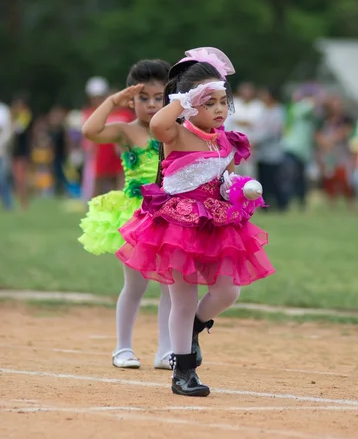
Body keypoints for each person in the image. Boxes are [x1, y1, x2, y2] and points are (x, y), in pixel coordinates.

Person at [117, 47, 275, 397]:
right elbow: (157, 123)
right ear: (189, 104)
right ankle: (182, 371)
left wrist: (243, 187)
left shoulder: (226, 142)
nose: (219, 110)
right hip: (177, 226)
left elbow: (227, 181)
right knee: (183, 300)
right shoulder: (175, 132)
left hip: (217, 224)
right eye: (209, 103)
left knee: (227, 291)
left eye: (222, 101)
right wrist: (184, 100)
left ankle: (191, 332)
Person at [79, 60, 172, 370]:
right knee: (135, 286)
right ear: (131, 100)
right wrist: (112, 101)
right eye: (143, 98)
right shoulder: (125, 131)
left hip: (171, 215)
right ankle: (122, 348)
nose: (150, 104)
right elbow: (90, 131)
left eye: (158, 97)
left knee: (171, 285)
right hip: (136, 216)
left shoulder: (175, 131)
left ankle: (166, 350)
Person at [281, 91, 318, 210]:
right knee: (289, 177)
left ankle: (301, 202)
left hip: (303, 151)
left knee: (301, 179)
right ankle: (285, 203)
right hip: (292, 149)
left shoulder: (307, 113)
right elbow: (307, 106)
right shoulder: (296, 109)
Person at [315, 97, 354, 205]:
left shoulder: (346, 119)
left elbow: (347, 132)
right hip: (329, 153)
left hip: (342, 152)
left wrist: (333, 138)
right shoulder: (324, 120)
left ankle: (349, 201)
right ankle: (331, 202)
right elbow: (317, 135)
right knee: (330, 179)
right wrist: (324, 142)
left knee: (344, 178)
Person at [253, 88, 287, 211]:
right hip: (262, 153)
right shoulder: (263, 111)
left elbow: (273, 131)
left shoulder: (278, 111)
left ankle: (281, 204)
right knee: (263, 180)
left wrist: (257, 140)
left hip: (272, 152)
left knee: (274, 180)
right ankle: (264, 204)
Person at [224, 82, 266, 177]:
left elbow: (260, 125)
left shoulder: (258, 106)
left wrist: (255, 142)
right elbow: (229, 122)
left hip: (251, 145)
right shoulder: (234, 103)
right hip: (234, 144)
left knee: (250, 173)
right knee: (234, 172)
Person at [11, 95, 33, 209]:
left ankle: (24, 203)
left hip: (22, 152)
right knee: (18, 179)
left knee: (21, 179)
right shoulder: (20, 116)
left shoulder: (25, 115)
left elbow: (18, 129)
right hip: (17, 151)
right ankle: (22, 202)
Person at [0, 101, 13, 210]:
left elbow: (7, 131)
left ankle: (8, 203)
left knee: (2, 178)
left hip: (2, 149)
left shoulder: (3, 110)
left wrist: (2, 145)